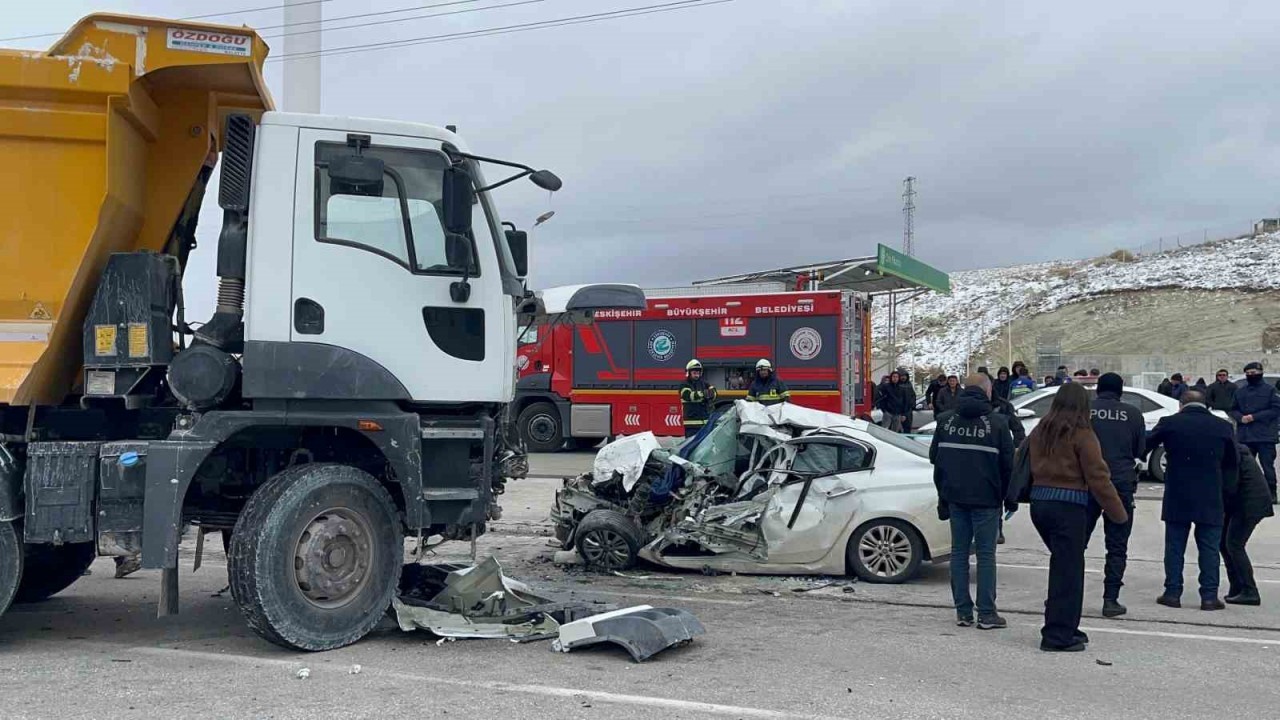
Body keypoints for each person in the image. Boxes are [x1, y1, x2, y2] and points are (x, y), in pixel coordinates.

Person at [1026, 383, 1128, 651]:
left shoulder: (1041, 430)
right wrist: (1118, 513)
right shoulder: (1082, 434)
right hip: (1068, 508)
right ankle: (1057, 636)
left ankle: (1068, 625)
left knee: (1063, 568)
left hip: (1040, 506)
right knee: (1068, 573)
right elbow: (1099, 478)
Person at [928, 373, 1016, 630]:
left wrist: (943, 495)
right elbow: (1008, 466)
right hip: (986, 500)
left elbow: (936, 459)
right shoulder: (998, 424)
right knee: (986, 555)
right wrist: (1010, 499)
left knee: (958, 554)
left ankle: (963, 612)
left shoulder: (945, 422)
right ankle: (987, 613)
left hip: (955, 497)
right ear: (988, 392)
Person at [1147, 389, 1238, 611]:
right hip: (1210, 495)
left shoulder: (1169, 423)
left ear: (1181, 405)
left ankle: (1172, 593)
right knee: (1209, 547)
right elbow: (1232, 464)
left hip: (1178, 493)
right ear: (1205, 404)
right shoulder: (1223, 426)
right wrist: (1227, 494)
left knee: (1175, 546)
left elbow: (1144, 447)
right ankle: (1208, 597)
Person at [1085, 373, 1145, 617]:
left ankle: (1064, 595)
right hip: (1120, 483)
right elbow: (1139, 449)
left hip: (1086, 483)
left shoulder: (1085, 411)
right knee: (1117, 545)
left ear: (1098, 390)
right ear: (1121, 391)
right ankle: (1111, 600)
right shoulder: (1132, 414)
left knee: (1075, 543)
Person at [1221, 442, 1275, 605]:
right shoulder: (1236, 450)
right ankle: (1237, 586)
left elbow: (1230, 485)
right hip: (1246, 501)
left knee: (1234, 544)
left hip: (1249, 503)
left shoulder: (1231, 454)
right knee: (1223, 543)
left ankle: (1250, 590)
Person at [1230, 361, 1280, 503]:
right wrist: (1240, 418)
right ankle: (1245, 494)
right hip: (1245, 436)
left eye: (1254, 373)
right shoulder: (1240, 391)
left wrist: (1254, 417)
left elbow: (1276, 409)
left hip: (1265, 436)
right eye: (1248, 374)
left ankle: (1271, 493)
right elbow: (1233, 409)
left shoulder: (1270, 390)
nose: (1251, 376)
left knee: (1267, 466)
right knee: (1244, 468)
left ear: (1260, 373)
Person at [679, 359, 717, 437]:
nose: (697, 375)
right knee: (691, 445)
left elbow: (714, 393)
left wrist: (711, 394)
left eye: (698, 373)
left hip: (705, 423)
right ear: (689, 373)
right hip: (691, 424)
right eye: (694, 373)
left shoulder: (704, 383)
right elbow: (688, 395)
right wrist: (703, 394)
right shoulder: (685, 385)